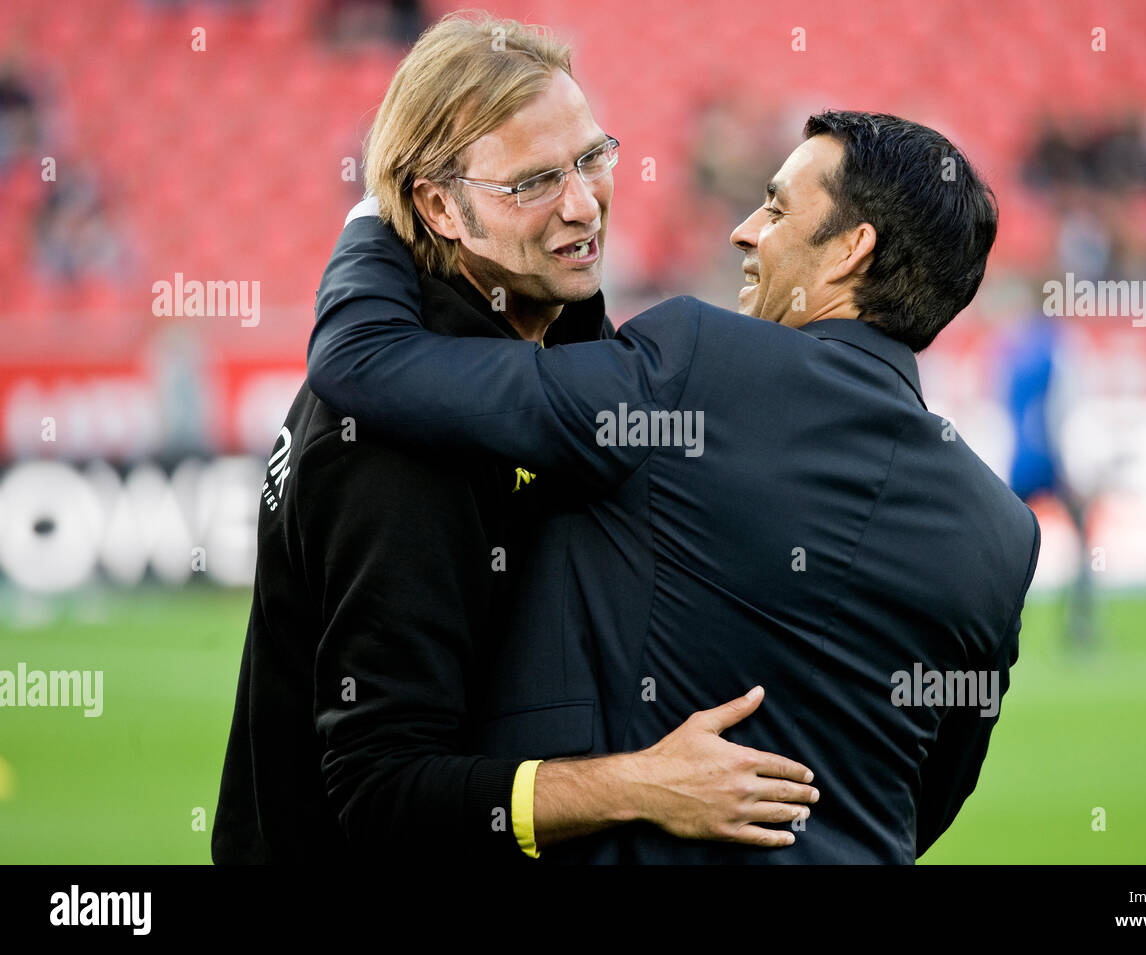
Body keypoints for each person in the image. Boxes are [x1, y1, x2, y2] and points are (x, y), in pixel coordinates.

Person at [307, 107, 1042, 863]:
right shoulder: (1004, 533)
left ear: (853, 250)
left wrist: (380, 201)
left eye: (777, 208)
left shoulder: (700, 364)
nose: (744, 230)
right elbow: (925, 801)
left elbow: (363, 359)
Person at [212, 13, 818, 866]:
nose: (583, 204)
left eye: (591, 157)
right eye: (532, 182)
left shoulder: (547, 318)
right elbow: (382, 791)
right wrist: (641, 784)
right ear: (440, 207)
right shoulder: (394, 445)